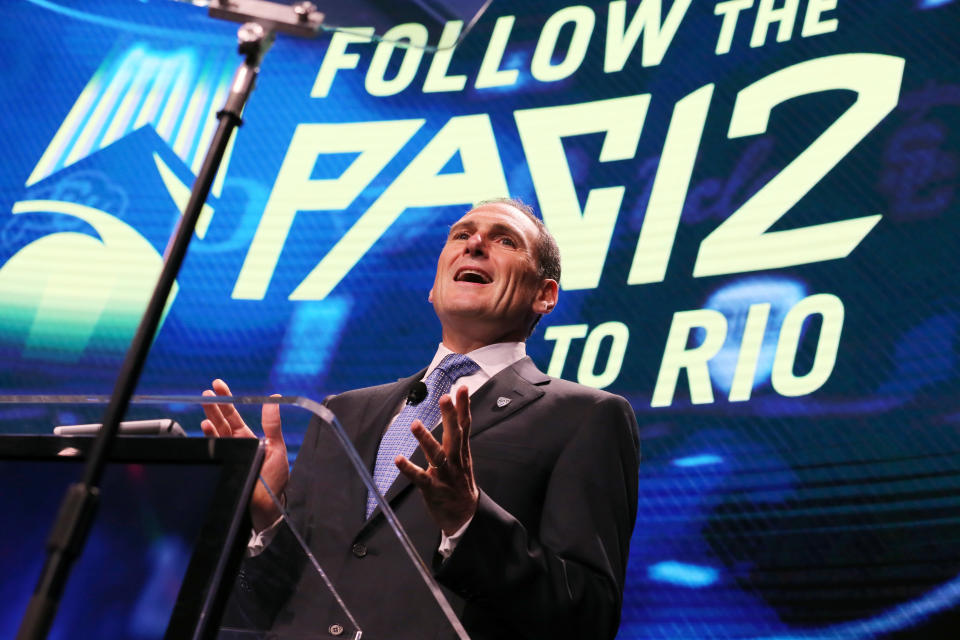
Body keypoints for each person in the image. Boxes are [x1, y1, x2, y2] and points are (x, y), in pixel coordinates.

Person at [202, 198, 641, 640]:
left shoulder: (586, 417)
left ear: (544, 295)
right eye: (460, 235)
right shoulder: (340, 413)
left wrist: (470, 521)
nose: (474, 244)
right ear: (434, 287)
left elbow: (588, 616)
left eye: (505, 240)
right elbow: (261, 608)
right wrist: (269, 520)